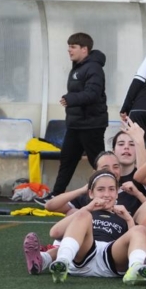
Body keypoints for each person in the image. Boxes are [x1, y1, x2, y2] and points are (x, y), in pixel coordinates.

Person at [27, 170, 146, 284]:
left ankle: (136, 269)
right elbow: (54, 232)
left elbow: (134, 240)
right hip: (84, 253)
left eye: (111, 189)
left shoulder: (123, 214)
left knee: (140, 230)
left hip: (111, 256)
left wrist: (128, 219)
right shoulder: (86, 211)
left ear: (117, 194)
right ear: (91, 193)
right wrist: (87, 209)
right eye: (100, 189)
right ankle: (62, 262)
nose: (106, 194)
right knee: (83, 215)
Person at [51, 33, 109, 196]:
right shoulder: (79, 67)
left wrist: (70, 99)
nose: (69, 50)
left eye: (73, 47)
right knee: (67, 160)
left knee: (100, 163)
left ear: (85, 49)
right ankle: (56, 195)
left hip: (92, 124)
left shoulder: (94, 68)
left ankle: (113, 192)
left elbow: (93, 94)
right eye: (69, 46)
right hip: (76, 123)